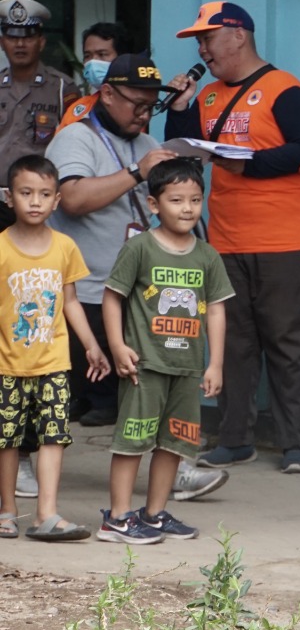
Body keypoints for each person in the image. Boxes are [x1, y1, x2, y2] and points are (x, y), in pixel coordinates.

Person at [44, 54, 229, 502]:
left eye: (151, 105)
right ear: (106, 94)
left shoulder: (144, 138)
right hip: (83, 290)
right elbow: (71, 198)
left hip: (140, 293)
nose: (144, 114)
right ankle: (26, 466)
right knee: (56, 389)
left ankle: (176, 470)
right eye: (135, 104)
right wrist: (134, 173)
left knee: (158, 383)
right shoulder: (76, 138)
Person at [165, 1, 300, 474]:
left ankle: (295, 445)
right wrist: (179, 111)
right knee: (232, 343)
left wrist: (249, 164)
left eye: (207, 38)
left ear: (237, 35)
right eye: (198, 41)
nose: (202, 49)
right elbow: (186, 158)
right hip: (227, 240)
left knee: (288, 340)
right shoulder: (210, 96)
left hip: (290, 239)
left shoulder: (286, 90)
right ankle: (234, 438)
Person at [100, 159, 232, 545]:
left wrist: (216, 363)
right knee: (132, 441)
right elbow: (112, 299)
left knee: (175, 441)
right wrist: (117, 346)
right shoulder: (139, 248)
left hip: (187, 368)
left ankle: (153, 514)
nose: (188, 208)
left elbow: (218, 310)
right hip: (145, 365)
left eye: (195, 199)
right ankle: (118, 518)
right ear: (154, 205)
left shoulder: (207, 256)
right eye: (176, 200)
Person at [0, 156, 109, 541]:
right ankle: (7, 511)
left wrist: (92, 345)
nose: (35, 201)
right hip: (7, 364)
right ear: (8, 197)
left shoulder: (64, 247)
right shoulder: (1, 248)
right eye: (26, 193)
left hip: (53, 363)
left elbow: (71, 302)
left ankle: (45, 513)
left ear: (57, 200)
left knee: (54, 435)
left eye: (44, 194)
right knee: (7, 439)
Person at [0, 0, 76, 205]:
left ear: (41, 42)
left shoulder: (62, 88)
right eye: (13, 37)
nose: (20, 44)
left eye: (28, 37)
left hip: (38, 201)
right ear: (2, 42)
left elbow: (74, 143)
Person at [61, 22, 135, 131]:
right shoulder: (79, 108)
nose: (93, 62)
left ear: (122, 58)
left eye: (102, 54)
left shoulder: (138, 104)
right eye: (87, 56)